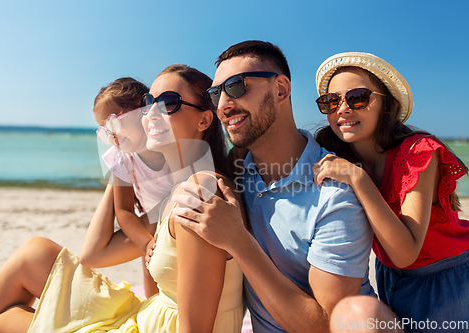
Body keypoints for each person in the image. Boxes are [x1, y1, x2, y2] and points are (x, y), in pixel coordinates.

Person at [0, 64, 245, 333]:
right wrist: (121, 170)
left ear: (204, 119)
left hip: (152, 325)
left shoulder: (198, 194)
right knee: (34, 253)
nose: (152, 112)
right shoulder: (179, 188)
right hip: (148, 314)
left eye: (169, 102)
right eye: (149, 102)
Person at [171, 40, 374, 333]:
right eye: (216, 95)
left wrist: (238, 241)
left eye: (237, 87)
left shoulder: (335, 195)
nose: (224, 105)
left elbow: (327, 327)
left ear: (281, 90)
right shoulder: (240, 167)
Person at [311, 52, 469, 332]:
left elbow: (405, 253)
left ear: (388, 106)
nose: (343, 109)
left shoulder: (417, 153)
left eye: (358, 97)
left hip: (447, 280)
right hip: (390, 277)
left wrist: (358, 179)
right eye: (331, 101)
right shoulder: (339, 153)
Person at [83, 77, 172, 298]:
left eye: (113, 123)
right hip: (148, 224)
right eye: (104, 131)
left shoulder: (172, 141)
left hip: (177, 214)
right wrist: (146, 244)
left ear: (143, 108)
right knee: (150, 269)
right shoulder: (123, 160)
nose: (111, 135)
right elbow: (123, 211)